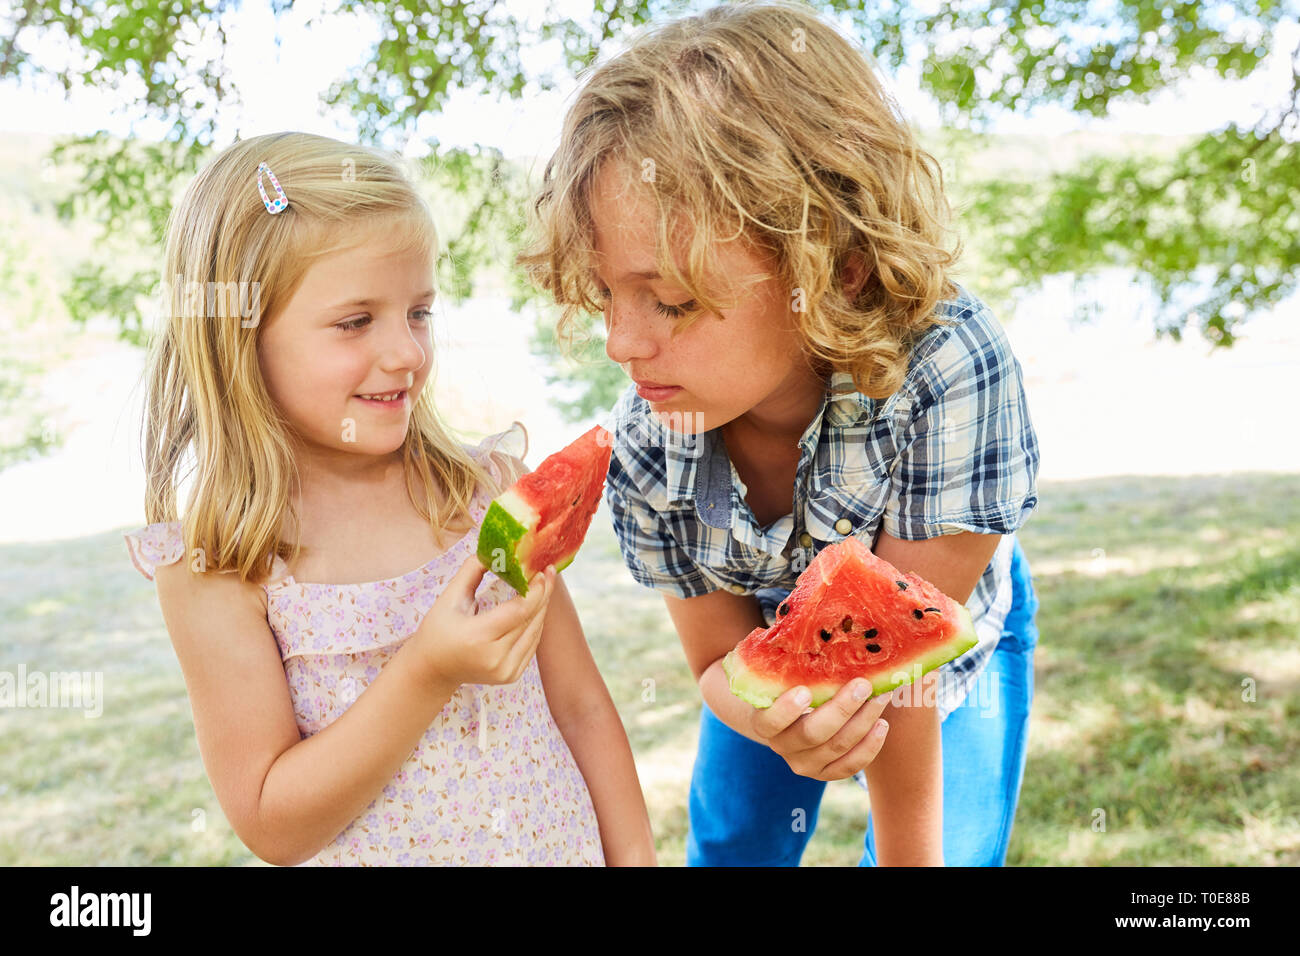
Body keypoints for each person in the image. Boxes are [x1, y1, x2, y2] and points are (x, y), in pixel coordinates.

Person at [516, 1, 1041, 866]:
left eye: (673, 300)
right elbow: (720, 655)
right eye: (608, 293)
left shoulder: (948, 368)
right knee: (733, 845)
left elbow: (901, 669)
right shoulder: (651, 433)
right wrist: (759, 709)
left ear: (837, 264)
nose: (621, 344)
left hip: (952, 649)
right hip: (762, 625)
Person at [124, 131, 655, 866]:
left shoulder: (481, 494)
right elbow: (273, 825)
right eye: (355, 321)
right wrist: (426, 672)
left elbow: (583, 708)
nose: (407, 352)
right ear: (238, 339)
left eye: (419, 312)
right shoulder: (221, 564)